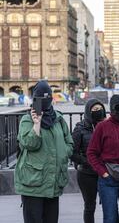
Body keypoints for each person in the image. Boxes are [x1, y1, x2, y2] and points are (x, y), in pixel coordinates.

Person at [14, 80, 74, 223]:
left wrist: (64, 153)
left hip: (53, 182)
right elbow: (29, 144)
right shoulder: (27, 120)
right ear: (35, 99)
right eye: (40, 98)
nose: (44, 101)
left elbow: (70, 143)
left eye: (47, 97)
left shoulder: (58, 119)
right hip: (33, 184)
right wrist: (37, 124)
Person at [87, 95, 119, 223]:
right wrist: (103, 172)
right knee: (110, 218)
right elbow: (91, 152)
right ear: (112, 109)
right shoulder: (102, 127)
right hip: (108, 180)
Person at [71, 99, 107, 223]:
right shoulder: (80, 128)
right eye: (95, 110)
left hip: (105, 173)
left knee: (109, 205)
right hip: (87, 173)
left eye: (100, 109)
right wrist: (87, 162)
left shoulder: (107, 127)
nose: (98, 112)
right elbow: (72, 152)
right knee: (90, 206)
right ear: (88, 112)